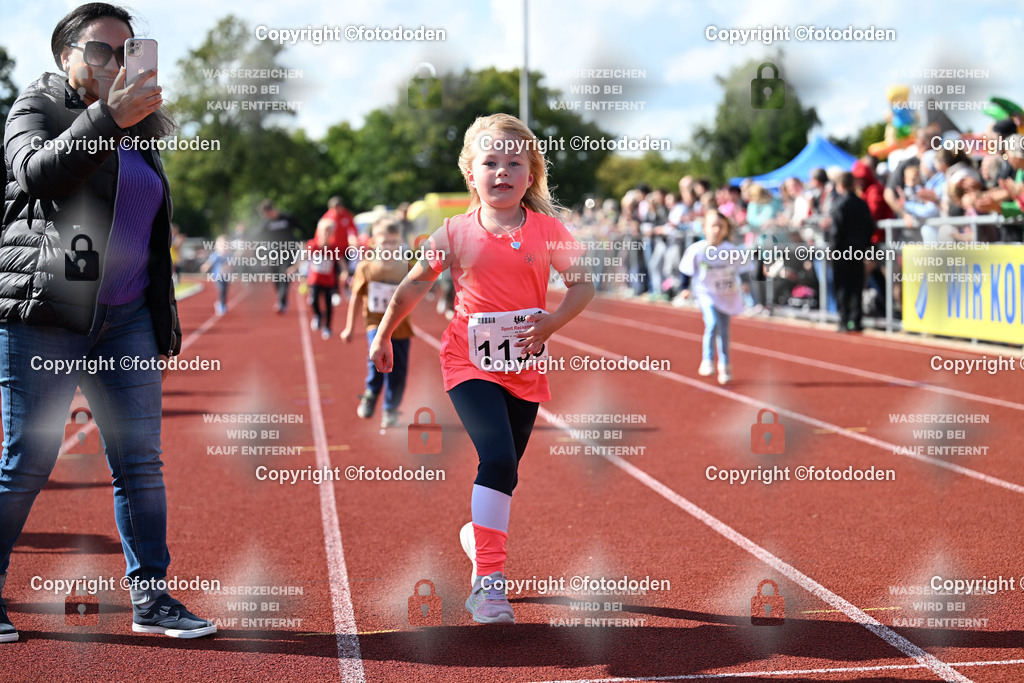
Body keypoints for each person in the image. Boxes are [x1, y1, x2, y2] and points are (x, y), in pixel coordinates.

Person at [0, 2, 215, 641]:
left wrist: (158, 313)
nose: (114, 62)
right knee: (27, 459)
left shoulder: (139, 128)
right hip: (50, 312)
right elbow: (37, 174)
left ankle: (152, 598)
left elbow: (146, 228)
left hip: (125, 320)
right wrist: (107, 117)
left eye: (126, 51)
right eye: (98, 50)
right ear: (64, 56)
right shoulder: (34, 108)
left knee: (139, 462)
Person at [369, 113, 593, 624]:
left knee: (507, 469)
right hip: (468, 361)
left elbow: (583, 285)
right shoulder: (453, 233)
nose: (502, 172)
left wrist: (552, 323)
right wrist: (382, 333)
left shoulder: (548, 231)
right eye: (490, 162)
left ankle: (477, 536)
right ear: (471, 173)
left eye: (515, 162)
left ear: (530, 175)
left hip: (524, 364)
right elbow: (412, 286)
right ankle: (488, 583)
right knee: (494, 456)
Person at [341, 218, 413, 427]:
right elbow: (355, 298)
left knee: (398, 371)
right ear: (374, 241)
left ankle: (390, 409)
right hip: (374, 323)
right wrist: (349, 328)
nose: (389, 246)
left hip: (401, 327)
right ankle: (372, 392)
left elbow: (417, 291)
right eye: (385, 242)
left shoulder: (406, 266)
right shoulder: (366, 268)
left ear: (400, 242)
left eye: (393, 242)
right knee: (377, 360)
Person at [679, 210, 745, 385]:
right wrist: (684, 288)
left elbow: (743, 268)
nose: (716, 230)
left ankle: (725, 365)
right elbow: (686, 270)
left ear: (725, 230)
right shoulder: (697, 249)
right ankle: (707, 359)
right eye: (713, 226)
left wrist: (745, 283)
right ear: (704, 228)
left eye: (720, 226)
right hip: (706, 293)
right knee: (712, 323)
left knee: (724, 330)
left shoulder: (731, 250)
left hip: (726, 294)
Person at [829, 172, 875, 332]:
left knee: (841, 286)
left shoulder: (839, 204)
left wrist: (832, 250)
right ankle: (855, 320)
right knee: (856, 286)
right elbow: (870, 227)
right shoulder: (862, 204)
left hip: (842, 251)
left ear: (840, 185)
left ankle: (843, 320)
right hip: (858, 250)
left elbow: (837, 231)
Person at [255, 199, 304, 314]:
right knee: (276, 277)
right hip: (273, 254)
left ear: (272, 209)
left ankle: (282, 301)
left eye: (267, 213)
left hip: (289, 252)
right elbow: (256, 236)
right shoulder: (266, 223)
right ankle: (281, 298)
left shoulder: (287, 218)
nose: (267, 216)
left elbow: (302, 228)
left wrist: (303, 241)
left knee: (285, 275)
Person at [200, 235, 232, 315]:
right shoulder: (216, 255)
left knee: (225, 290)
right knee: (221, 289)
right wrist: (205, 267)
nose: (224, 247)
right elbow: (210, 262)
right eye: (222, 245)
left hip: (226, 276)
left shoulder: (229, 255)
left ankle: (222, 303)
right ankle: (220, 305)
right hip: (217, 276)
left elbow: (231, 265)